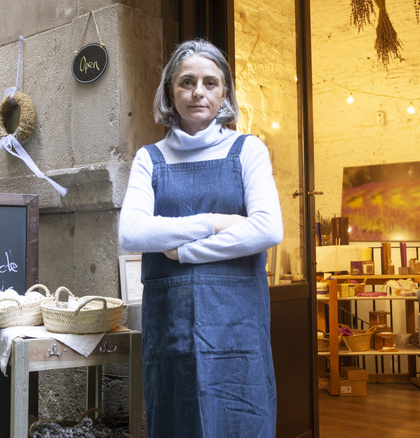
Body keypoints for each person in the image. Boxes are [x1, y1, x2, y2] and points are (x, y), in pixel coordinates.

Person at [119, 39, 283, 437]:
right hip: (171, 326)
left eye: (210, 82)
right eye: (187, 82)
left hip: (238, 325)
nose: (198, 92)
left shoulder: (248, 151)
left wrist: (184, 251)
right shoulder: (149, 158)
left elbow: (267, 229)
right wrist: (216, 221)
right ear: (169, 92)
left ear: (224, 92)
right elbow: (132, 232)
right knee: (178, 419)